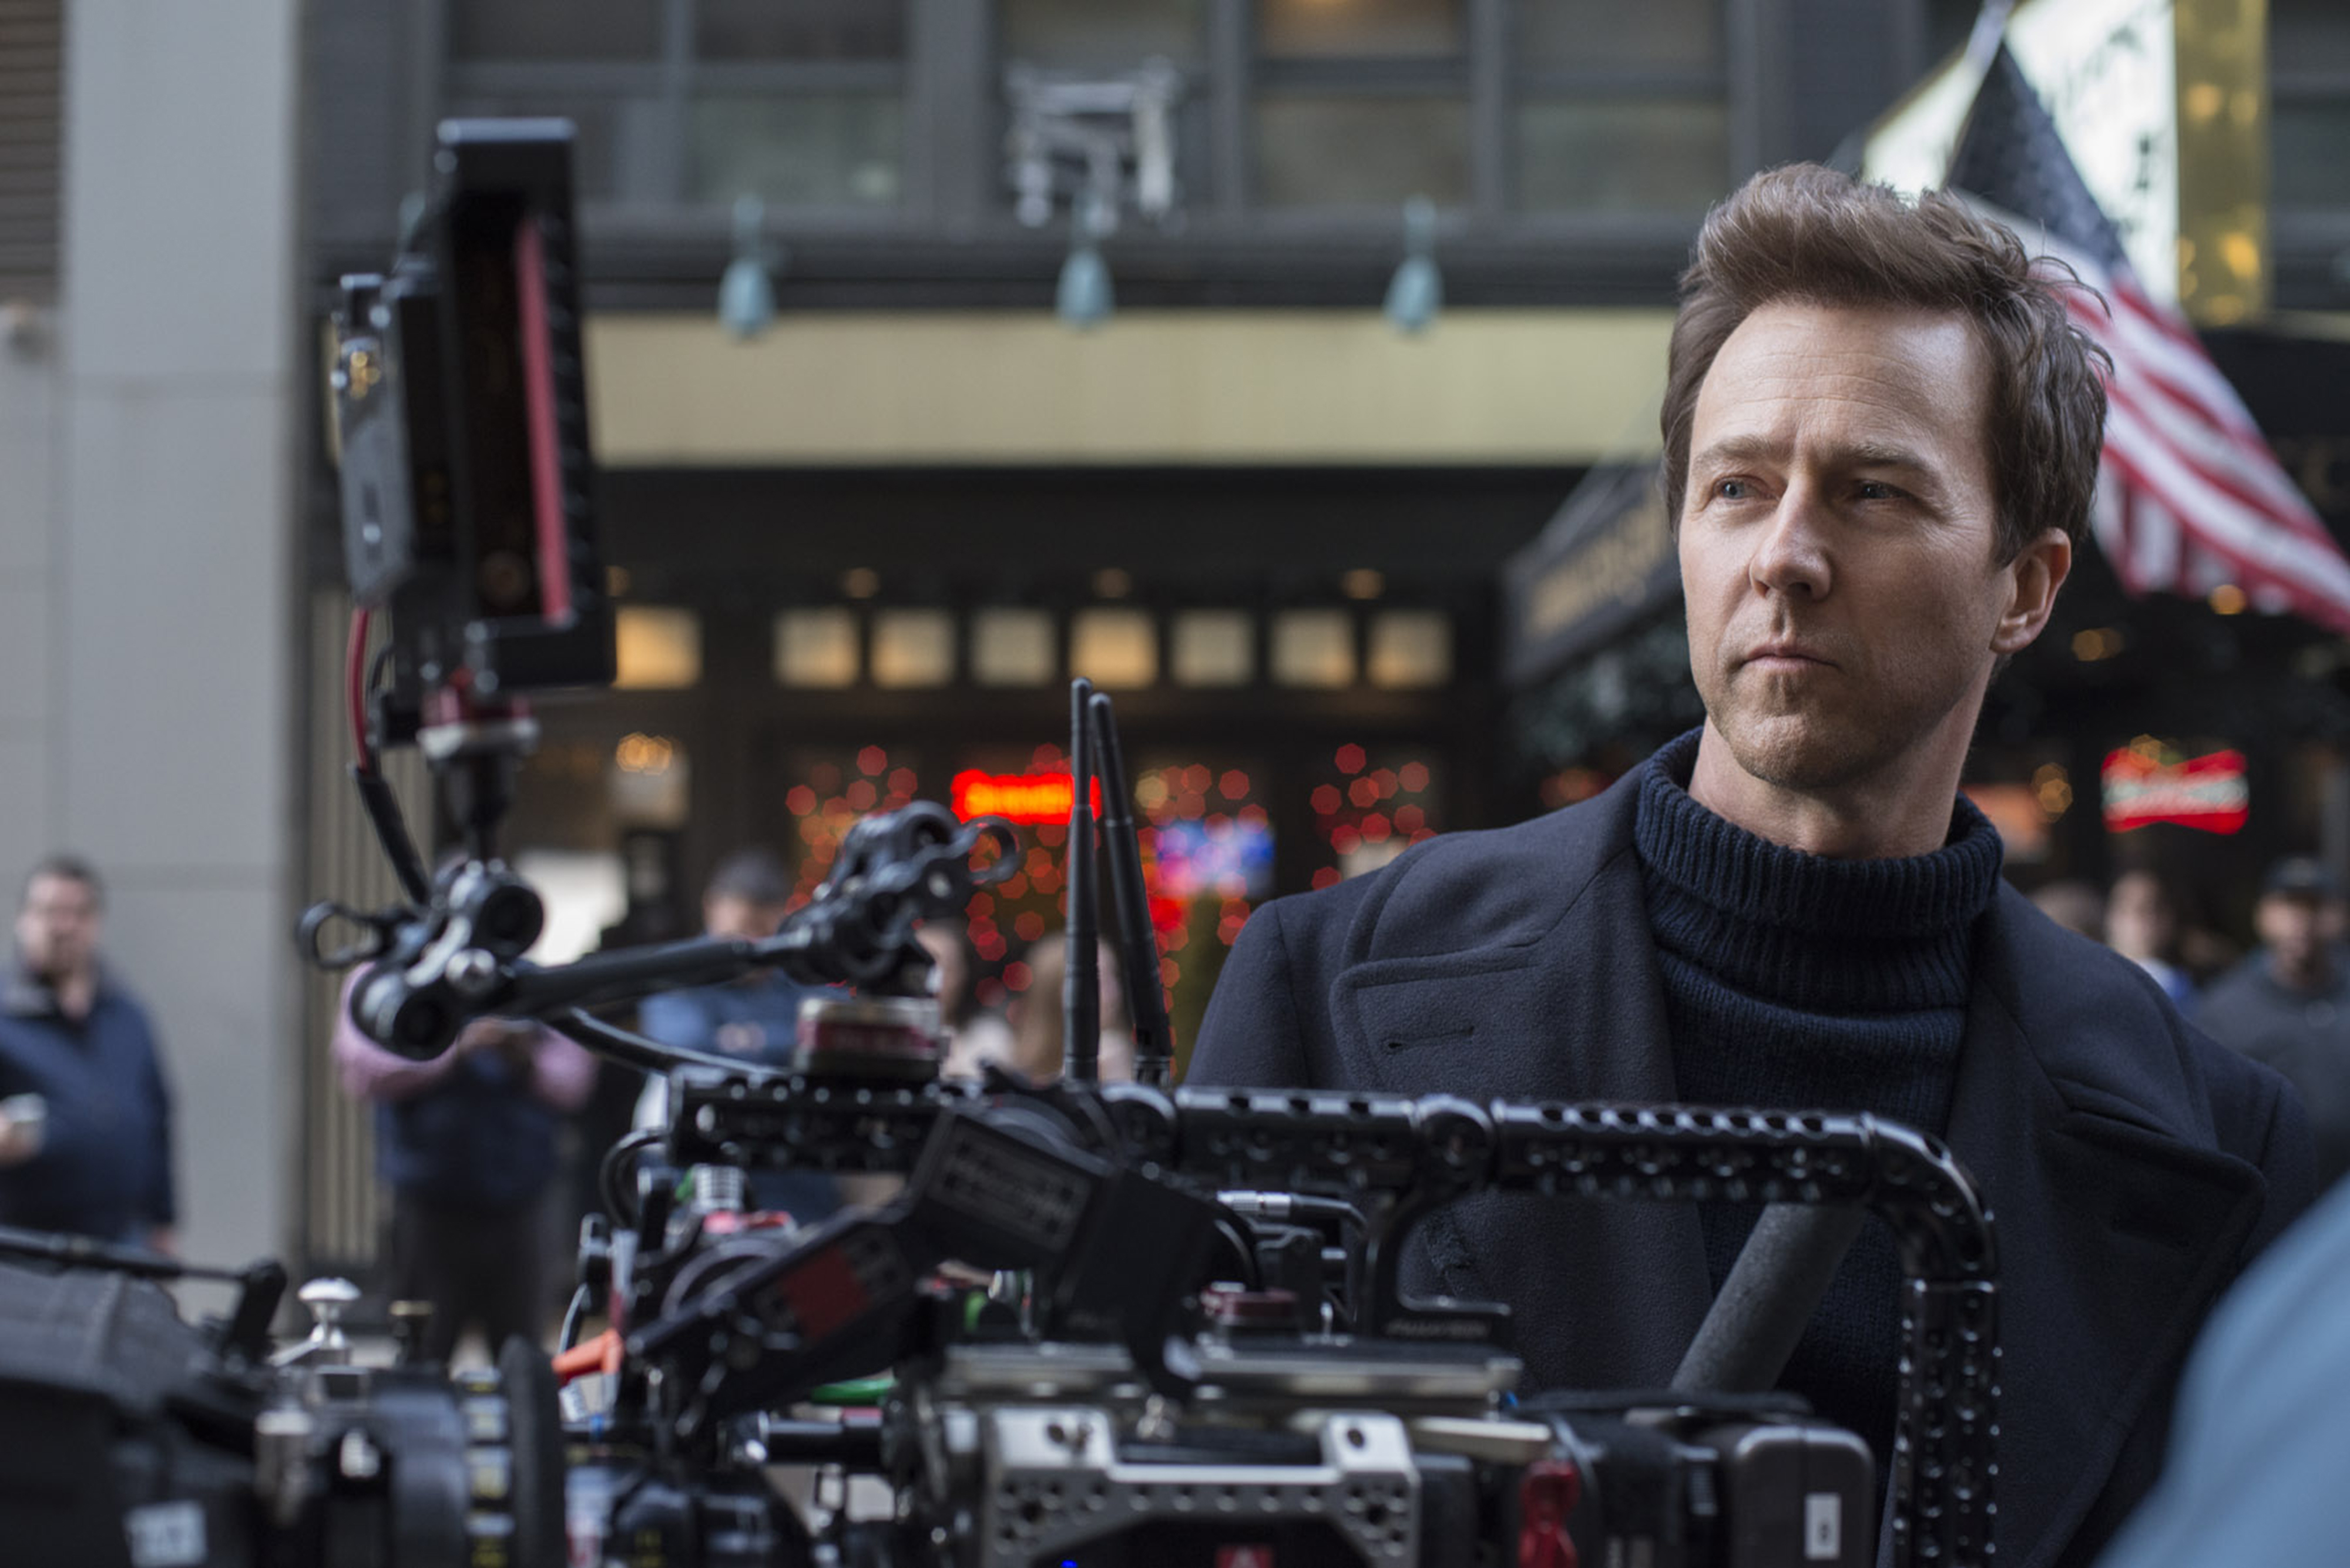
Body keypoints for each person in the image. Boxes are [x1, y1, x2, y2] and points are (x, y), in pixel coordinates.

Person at [1190, 164, 2314, 1568]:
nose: (1784, 554)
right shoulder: (1324, 985)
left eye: (1870, 491)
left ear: (2023, 586)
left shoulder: (2221, 1139)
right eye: (1736, 487)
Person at [334, 979, 596, 1364]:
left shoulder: (531, 977)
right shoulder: (390, 978)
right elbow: (364, 1069)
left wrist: (522, 1056)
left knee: (521, 1363)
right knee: (422, 1357)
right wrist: (455, 1046)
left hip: (523, 1203)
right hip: (430, 1207)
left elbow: (574, 1082)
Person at [633, 848, 841, 1221]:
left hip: (793, 1172)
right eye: (738, 935)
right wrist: (785, 1046)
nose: (749, 951)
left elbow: (836, 1037)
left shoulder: (802, 969)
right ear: (711, 908)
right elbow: (686, 1050)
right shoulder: (676, 968)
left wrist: (748, 1040)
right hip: (693, 1162)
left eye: (761, 936)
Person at [0, 857, 176, 1251]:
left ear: (96, 923)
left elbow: (158, 1115)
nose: (65, 926)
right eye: (50, 911)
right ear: (23, 920)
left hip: (122, 1241)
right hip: (24, 1247)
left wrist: (164, 1219)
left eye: (79, 913)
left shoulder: (127, 1015)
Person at [2195, 857, 2350, 1188]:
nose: (2302, 920)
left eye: (2314, 906)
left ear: (2338, 915)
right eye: (2289, 906)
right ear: (2263, 916)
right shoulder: (2226, 1009)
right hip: (2275, 1196)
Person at [946, 933, 1134, 1083]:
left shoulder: (1120, 1055)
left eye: (1112, 977)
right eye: (1092, 980)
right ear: (1051, 991)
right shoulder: (1003, 1052)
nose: (1112, 993)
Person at [2107, 869, 2197, 1008]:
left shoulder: (2190, 988)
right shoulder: (2092, 985)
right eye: (2136, 909)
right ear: (2112, 919)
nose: (2148, 919)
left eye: (2156, 908)